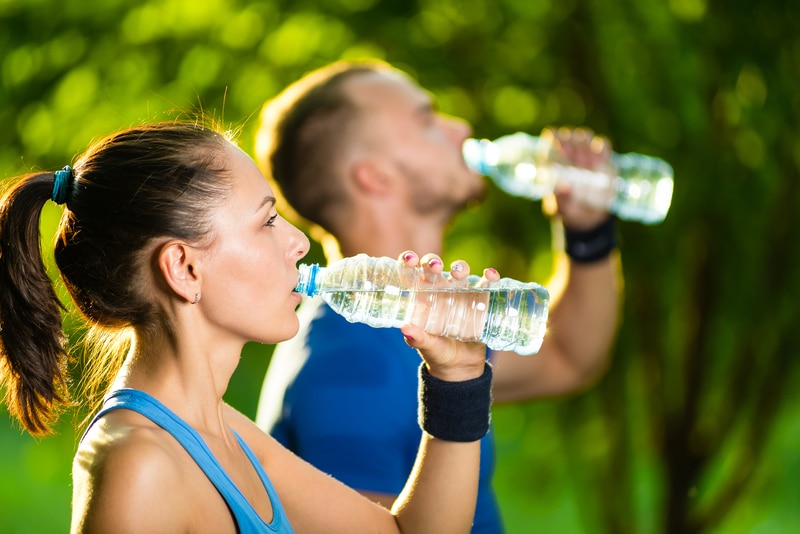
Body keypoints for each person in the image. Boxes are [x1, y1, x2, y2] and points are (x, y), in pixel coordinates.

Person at [0, 120, 502, 533]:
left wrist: (455, 377)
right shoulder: (139, 466)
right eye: (266, 222)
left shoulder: (223, 430)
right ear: (183, 268)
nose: (300, 242)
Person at [254, 59, 623, 533]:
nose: (461, 128)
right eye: (427, 120)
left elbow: (570, 356)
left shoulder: (415, 323)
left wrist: (587, 233)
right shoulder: (349, 364)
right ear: (375, 175)